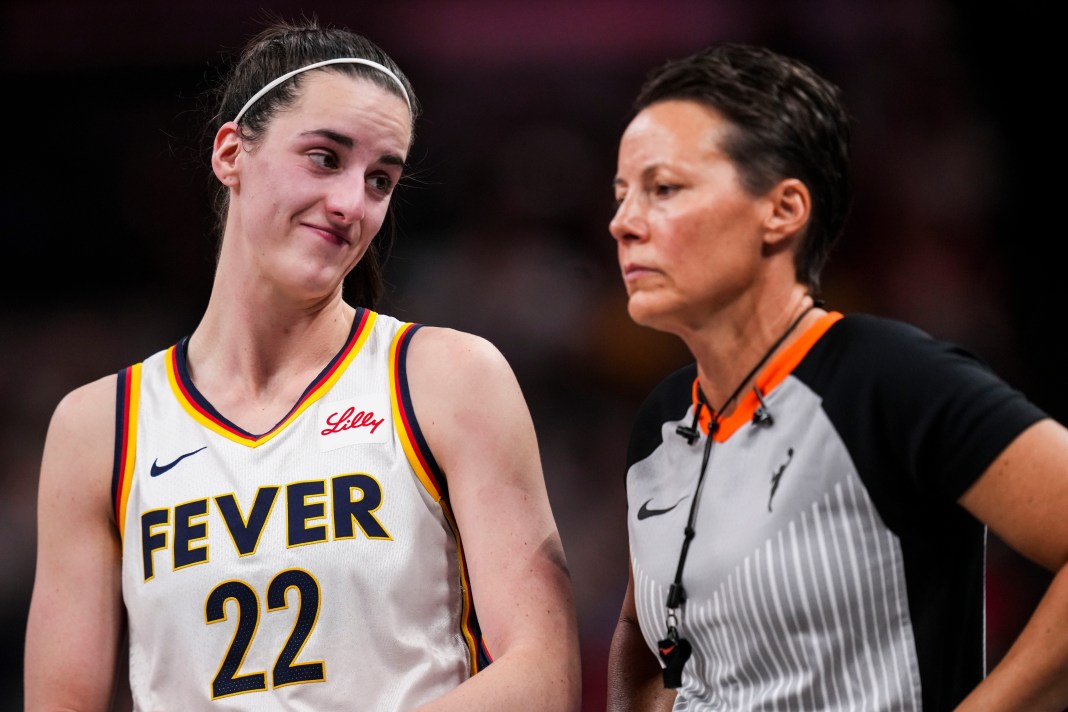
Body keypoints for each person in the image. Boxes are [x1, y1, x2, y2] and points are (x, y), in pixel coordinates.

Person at [23, 16, 581, 711]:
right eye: (325, 158)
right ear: (230, 154)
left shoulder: (447, 377)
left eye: (381, 179)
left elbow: (545, 677)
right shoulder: (98, 428)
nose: (352, 203)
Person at [605, 42, 1068, 711]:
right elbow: (646, 635)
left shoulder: (891, 380)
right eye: (622, 196)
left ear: (783, 210)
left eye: (664, 189)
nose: (624, 224)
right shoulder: (663, 416)